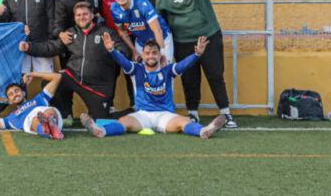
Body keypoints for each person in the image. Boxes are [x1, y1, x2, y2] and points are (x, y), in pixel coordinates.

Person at [82, 34, 225, 139]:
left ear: (159, 55)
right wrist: (111, 50)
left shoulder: (168, 70)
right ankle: (101, 130)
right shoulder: (136, 70)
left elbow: (183, 65)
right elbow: (123, 62)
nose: (151, 56)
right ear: (143, 56)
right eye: (148, 53)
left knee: (185, 121)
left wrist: (197, 54)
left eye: (154, 53)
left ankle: (204, 131)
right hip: (142, 115)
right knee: (123, 122)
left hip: (165, 115)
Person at [155, 0, 237, 129]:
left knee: (215, 75)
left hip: (208, 36)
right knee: (189, 78)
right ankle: (192, 113)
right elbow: (160, 21)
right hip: (182, 42)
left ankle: (225, 113)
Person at [24, 2, 125, 122]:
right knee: (50, 81)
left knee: (102, 121)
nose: (81, 17)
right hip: (74, 76)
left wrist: (112, 50)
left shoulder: (106, 33)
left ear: (92, 15)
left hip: (97, 87)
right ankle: (64, 115)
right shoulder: (71, 33)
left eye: (85, 14)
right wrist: (29, 47)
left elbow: (124, 52)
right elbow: (52, 48)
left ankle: (132, 113)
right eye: (78, 15)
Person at [0, 0, 55, 75]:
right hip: (20, 43)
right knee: (21, 77)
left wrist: (51, 39)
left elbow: (52, 17)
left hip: (41, 43)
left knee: (46, 76)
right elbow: (5, 22)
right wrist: (0, 14)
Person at [0, 72, 65, 140]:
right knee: (34, 120)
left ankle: (51, 126)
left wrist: (32, 74)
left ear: (23, 93)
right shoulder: (11, 119)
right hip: (31, 121)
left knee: (49, 111)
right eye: (11, 94)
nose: (15, 94)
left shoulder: (39, 99)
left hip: (45, 113)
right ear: (10, 101)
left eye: (16, 91)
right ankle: (45, 128)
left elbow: (57, 77)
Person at [110, 0, 174, 63]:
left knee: (164, 69)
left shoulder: (142, 4)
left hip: (162, 38)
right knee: (143, 73)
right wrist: (134, 51)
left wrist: (161, 54)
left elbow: (157, 30)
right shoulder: (114, 9)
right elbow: (122, 31)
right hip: (142, 42)